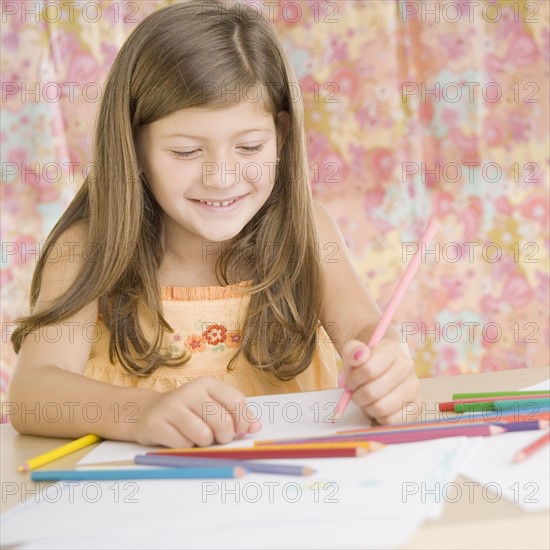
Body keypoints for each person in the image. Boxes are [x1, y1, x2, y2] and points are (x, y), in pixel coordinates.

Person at [9, 0, 421, 448]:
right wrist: (141, 413)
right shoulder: (89, 247)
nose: (221, 178)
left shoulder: (307, 232)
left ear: (281, 134)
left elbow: (366, 331)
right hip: (146, 501)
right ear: (134, 146)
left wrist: (388, 364)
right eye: (186, 152)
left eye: (249, 147)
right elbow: (33, 395)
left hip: (290, 492)